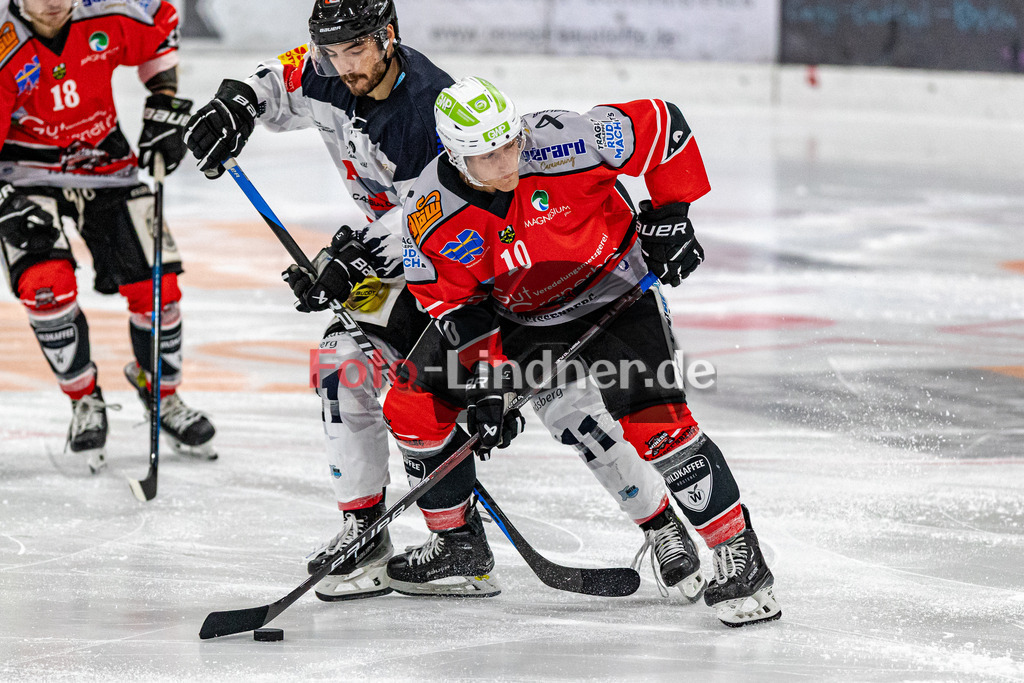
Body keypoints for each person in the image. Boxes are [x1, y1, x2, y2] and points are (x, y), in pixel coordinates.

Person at [183, 0, 702, 604]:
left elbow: (435, 219)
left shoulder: (429, 111)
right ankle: (382, 534)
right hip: (415, 273)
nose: (343, 65)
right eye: (333, 50)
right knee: (342, 363)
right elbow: (280, 79)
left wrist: (354, 260)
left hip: (478, 275)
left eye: (355, 49)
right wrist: (235, 103)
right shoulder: (328, 67)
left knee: (562, 394)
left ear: (388, 38)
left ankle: (663, 526)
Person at [381, 77, 782, 626]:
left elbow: (665, 126)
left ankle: (739, 555)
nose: (506, 162)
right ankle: (458, 548)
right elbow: (455, 305)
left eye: (509, 144)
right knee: (411, 406)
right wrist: (488, 383)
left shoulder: (568, 139)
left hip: (614, 291)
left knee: (657, 424)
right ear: (453, 154)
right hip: (517, 316)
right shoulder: (430, 213)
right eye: (486, 154)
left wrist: (672, 214)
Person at [0, 0, 215, 473]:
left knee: (159, 289)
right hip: (23, 173)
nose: (54, 3)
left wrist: (163, 103)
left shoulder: (112, 9)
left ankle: (161, 392)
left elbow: (160, 28)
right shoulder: (3, 39)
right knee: (45, 285)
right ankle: (83, 399)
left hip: (108, 166)